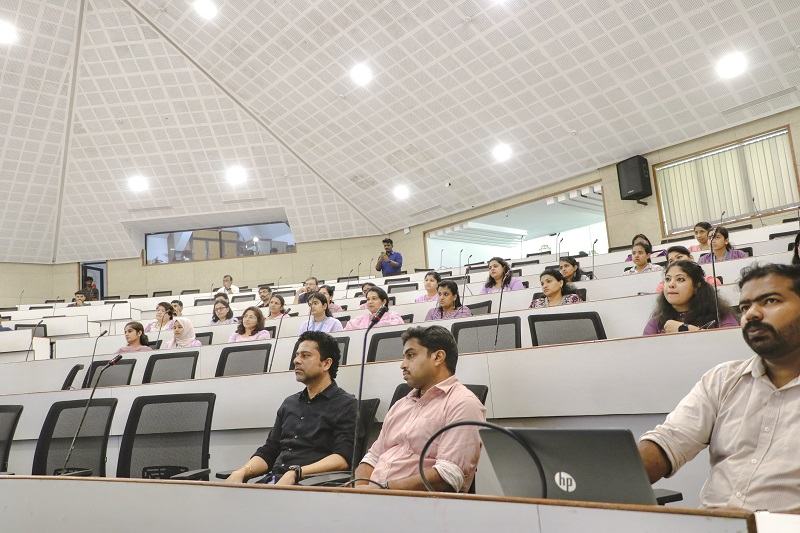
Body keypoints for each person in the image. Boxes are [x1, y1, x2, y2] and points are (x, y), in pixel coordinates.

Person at [638, 263, 800, 512]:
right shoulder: (722, 379)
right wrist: (612, 477)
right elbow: (668, 441)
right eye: (744, 307)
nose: (752, 314)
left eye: (770, 301)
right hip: (712, 523)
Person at [353, 326, 485, 492]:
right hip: (373, 498)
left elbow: (449, 475)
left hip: (418, 504)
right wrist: (359, 491)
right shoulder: (401, 404)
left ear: (438, 357)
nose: (402, 365)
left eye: (411, 355)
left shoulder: (463, 403)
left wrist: (382, 490)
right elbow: (372, 458)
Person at [224, 331, 357, 485]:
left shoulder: (346, 404)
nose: (296, 361)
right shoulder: (290, 403)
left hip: (310, 486)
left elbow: (343, 458)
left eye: (305, 356)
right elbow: (269, 450)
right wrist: (243, 471)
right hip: (274, 482)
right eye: (297, 355)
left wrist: (296, 473)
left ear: (326, 363)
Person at [642, 260, 738, 335]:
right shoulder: (656, 322)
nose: (671, 284)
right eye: (667, 279)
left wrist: (684, 329)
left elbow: (730, 343)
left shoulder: (719, 314)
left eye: (680, 279)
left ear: (696, 286)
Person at [655, 246, 720, 293]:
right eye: (671, 261)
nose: (675, 262)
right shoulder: (663, 286)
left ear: (691, 258)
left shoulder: (709, 282)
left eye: (679, 257)